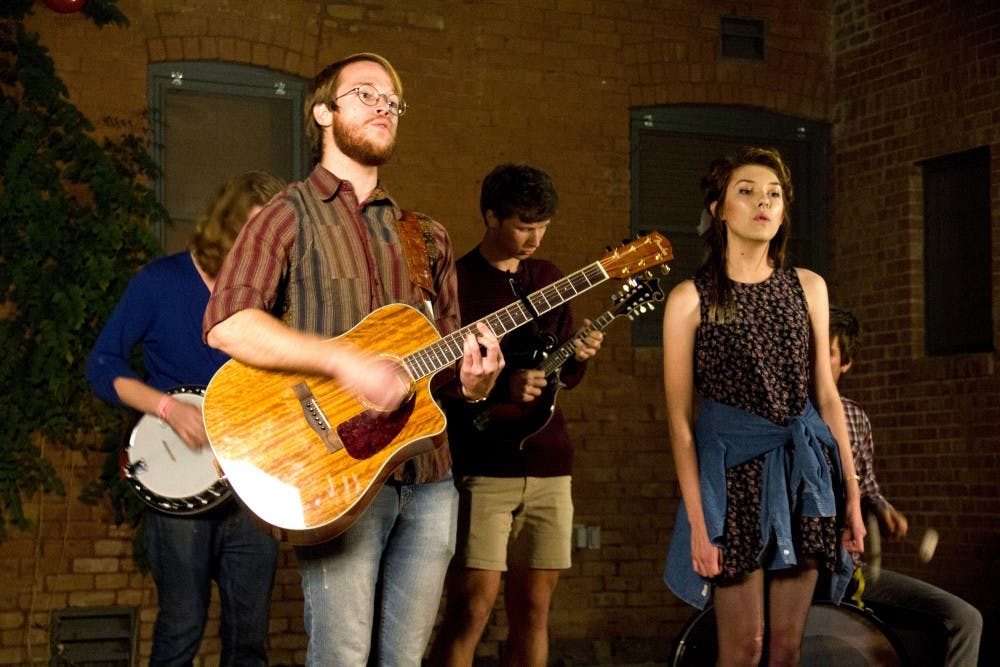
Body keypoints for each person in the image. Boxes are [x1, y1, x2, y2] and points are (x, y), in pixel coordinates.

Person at [200, 53, 504, 667]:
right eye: (366, 94)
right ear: (323, 113)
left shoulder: (429, 236)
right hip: (336, 470)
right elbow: (228, 325)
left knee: (405, 659)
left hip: (429, 477)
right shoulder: (286, 214)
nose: (385, 106)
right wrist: (343, 361)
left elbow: (441, 366)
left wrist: (473, 383)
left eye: (393, 99)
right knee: (339, 654)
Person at [661, 146, 866, 666]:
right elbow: (682, 425)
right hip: (732, 482)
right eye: (746, 192)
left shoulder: (809, 287)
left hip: (804, 476)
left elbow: (826, 396)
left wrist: (853, 495)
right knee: (742, 649)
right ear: (718, 209)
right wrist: (699, 523)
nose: (763, 203)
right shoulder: (691, 298)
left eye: (773, 194)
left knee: (786, 649)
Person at [86, 170, 285, 666]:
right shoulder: (160, 282)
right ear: (225, 228)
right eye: (255, 234)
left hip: (251, 486)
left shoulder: (271, 297)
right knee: (182, 626)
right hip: (178, 486)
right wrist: (167, 408)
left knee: (249, 637)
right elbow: (103, 364)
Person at [429, 164, 603, 667]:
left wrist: (579, 356)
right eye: (524, 225)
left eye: (543, 226)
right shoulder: (457, 282)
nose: (535, 237)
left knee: (533, 610)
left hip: (550, 463)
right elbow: (443, 379)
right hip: (483, 465)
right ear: (490, 217)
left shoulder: (548, 279)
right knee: (470, 610)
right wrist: (503, 385)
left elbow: (561, 376)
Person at [829, 305, 983, 666]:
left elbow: (866, 485)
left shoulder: (855, 418)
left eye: (829, 353)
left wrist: (882, 509)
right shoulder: (784, 418)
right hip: (805, 577)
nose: (814, 360)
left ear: (846, 363)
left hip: (852, 573)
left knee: (964, 620)